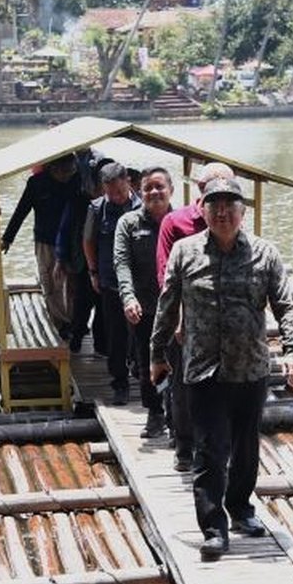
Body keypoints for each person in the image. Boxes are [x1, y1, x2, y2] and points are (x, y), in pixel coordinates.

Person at [150, 176, 293, 562]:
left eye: (229, 206)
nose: (222, 212)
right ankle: (213, 528)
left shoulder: (265, 254)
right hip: (203, 370)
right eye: (214, 205)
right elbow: (167, 306)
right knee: (210, 451)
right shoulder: (185, 252)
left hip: (250, 369)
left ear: (242, 212)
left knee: (246, 449)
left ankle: (240, 508)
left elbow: (284, 305)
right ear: (201, 209)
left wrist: (292, 350)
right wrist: (156, 355)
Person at [155, 161, 235, 472]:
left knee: (226, 384)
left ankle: (219, 444)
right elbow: (165, 277)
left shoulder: (233, 221)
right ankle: (184, 445)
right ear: (200, 191)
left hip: (224, 324)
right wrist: (176, 318)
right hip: (186, 321)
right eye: (213, 191)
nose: (221, 202)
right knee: (184, 383)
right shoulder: (175, 223)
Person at [114, 167, 174, 437]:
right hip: (144, 306)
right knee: (147, 361)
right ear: (140, 191)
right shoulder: (129, 223)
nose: (154, 192)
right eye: (148, 188)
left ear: (170, 189)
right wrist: (128, 297)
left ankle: (178, 416)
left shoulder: (181, 220)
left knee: (180, 361)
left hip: (179, 308)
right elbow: (121, 263)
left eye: (159, 186)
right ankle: (155, 412)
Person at [83, 162, 141, 404]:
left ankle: (143, 372)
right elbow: (88, 242)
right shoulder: (97, 209)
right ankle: (120, 382)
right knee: (115, 334)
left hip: (142, 285)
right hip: (110, 282)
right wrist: (93, 272)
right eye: (110, 193)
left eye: (119, 191)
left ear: (127, 181)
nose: (116, 197)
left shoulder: (144, 206)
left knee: (143, 333)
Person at [1, 155, 75, 339]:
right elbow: (21, 210)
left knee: (73, 284)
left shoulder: (76, 181)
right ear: (53, 168)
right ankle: (61, 322)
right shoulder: (36, 183)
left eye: (70, 171)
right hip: (45, 241)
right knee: (50, 282)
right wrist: (8, 238)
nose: (67, 176)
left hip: (72, 241)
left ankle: (75, 321)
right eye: (63, 172)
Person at [53, 149, 101, 353]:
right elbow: (64, 231)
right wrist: (60, 260)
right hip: (80, 261)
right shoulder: (77, 201)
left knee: (104, 307)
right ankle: (77, 335)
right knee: (82, 301)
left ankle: (101, 346)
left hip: (105, 263)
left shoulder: (116, 204)